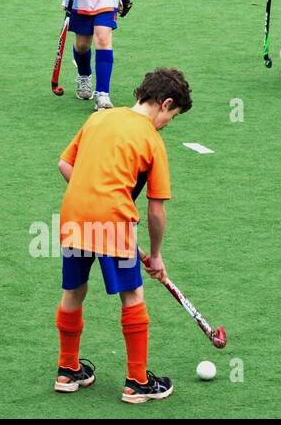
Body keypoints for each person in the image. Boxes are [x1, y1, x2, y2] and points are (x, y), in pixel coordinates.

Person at [53, 67, 192, 405]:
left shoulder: (99, 118)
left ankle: (68, 370)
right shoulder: (151, 139)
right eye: (171, 116)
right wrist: (156, 255)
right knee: (132, 295)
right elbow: (156, 210)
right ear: (165, 103)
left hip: (74, 215)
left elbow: (65, 165)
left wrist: (94, 194)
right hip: (112, 221)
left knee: (74, 290)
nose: (168, 124)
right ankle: (137, 382)